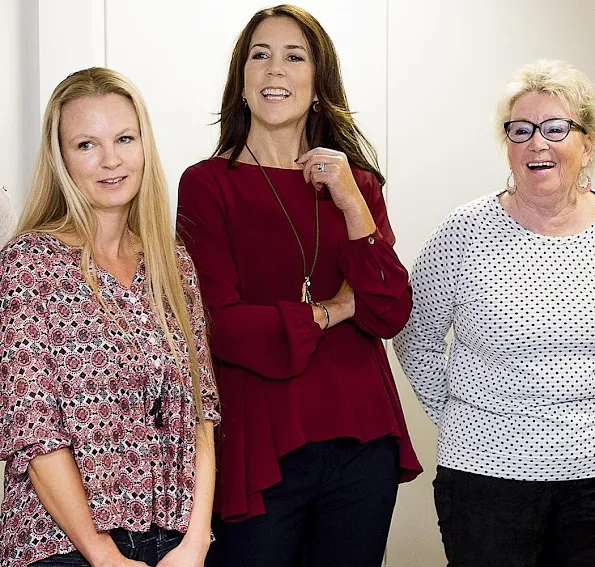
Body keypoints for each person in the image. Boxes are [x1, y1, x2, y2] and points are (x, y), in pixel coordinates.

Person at [176, 5, 421, 566]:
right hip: (260, 443)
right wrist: (332, 312)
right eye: (259, 56)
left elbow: (389, 311)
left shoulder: (355, 185)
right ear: (241, 83)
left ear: (318, 84)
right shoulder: (207, 184)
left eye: (294, 56)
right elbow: (222, 326)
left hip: (363, 439)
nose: (275, 70)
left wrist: (351, 201)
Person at [0, 67, 220, 567]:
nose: (111, 160)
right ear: (61, 158)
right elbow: (32, 430)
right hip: (63, 547)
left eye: (124, 138)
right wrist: (102, 554)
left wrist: (195, 541)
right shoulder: (30, 263)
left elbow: (202, 411)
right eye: (86, 144)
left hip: (174, 543)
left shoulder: (171, 261)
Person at [394, 59, 595, 567]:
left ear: (587, 143)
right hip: (486, 476)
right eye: (520, 130)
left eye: (555, 128)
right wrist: (462, 417)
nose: (537, 143)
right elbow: (414, 337)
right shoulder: (464, 232)